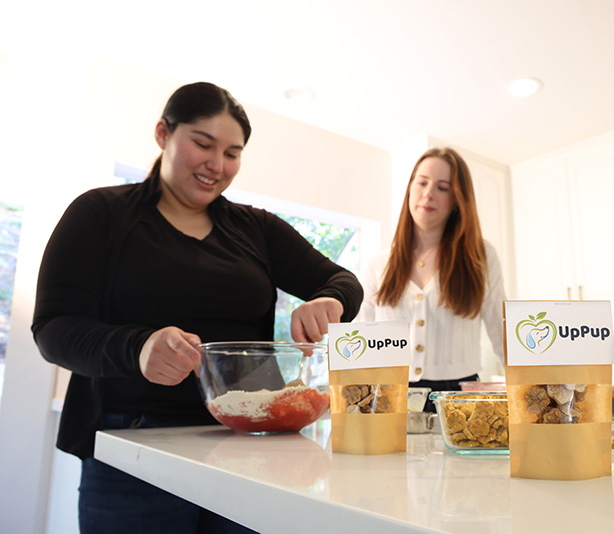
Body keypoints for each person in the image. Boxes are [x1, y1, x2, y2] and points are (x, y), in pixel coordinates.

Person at [31, 82, 363, 533]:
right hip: (135, 446)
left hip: (251, 448)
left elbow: (343, 281)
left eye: (232, 153)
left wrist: (329, 300)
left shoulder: (257, 228)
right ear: (163, 133)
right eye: (203, 144)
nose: (217, 165)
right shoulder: (100, 214)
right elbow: (54, 327)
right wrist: (137, 348)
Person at [356, 147, 506, 411]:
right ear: (410, 188)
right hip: (390, 396)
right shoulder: (378, 265)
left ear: (458, 199)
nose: (428, 193)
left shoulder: (480, 257)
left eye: (443, 187)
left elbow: (504, 334)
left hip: (462, 398)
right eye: (422, 182)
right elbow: (360, 343)